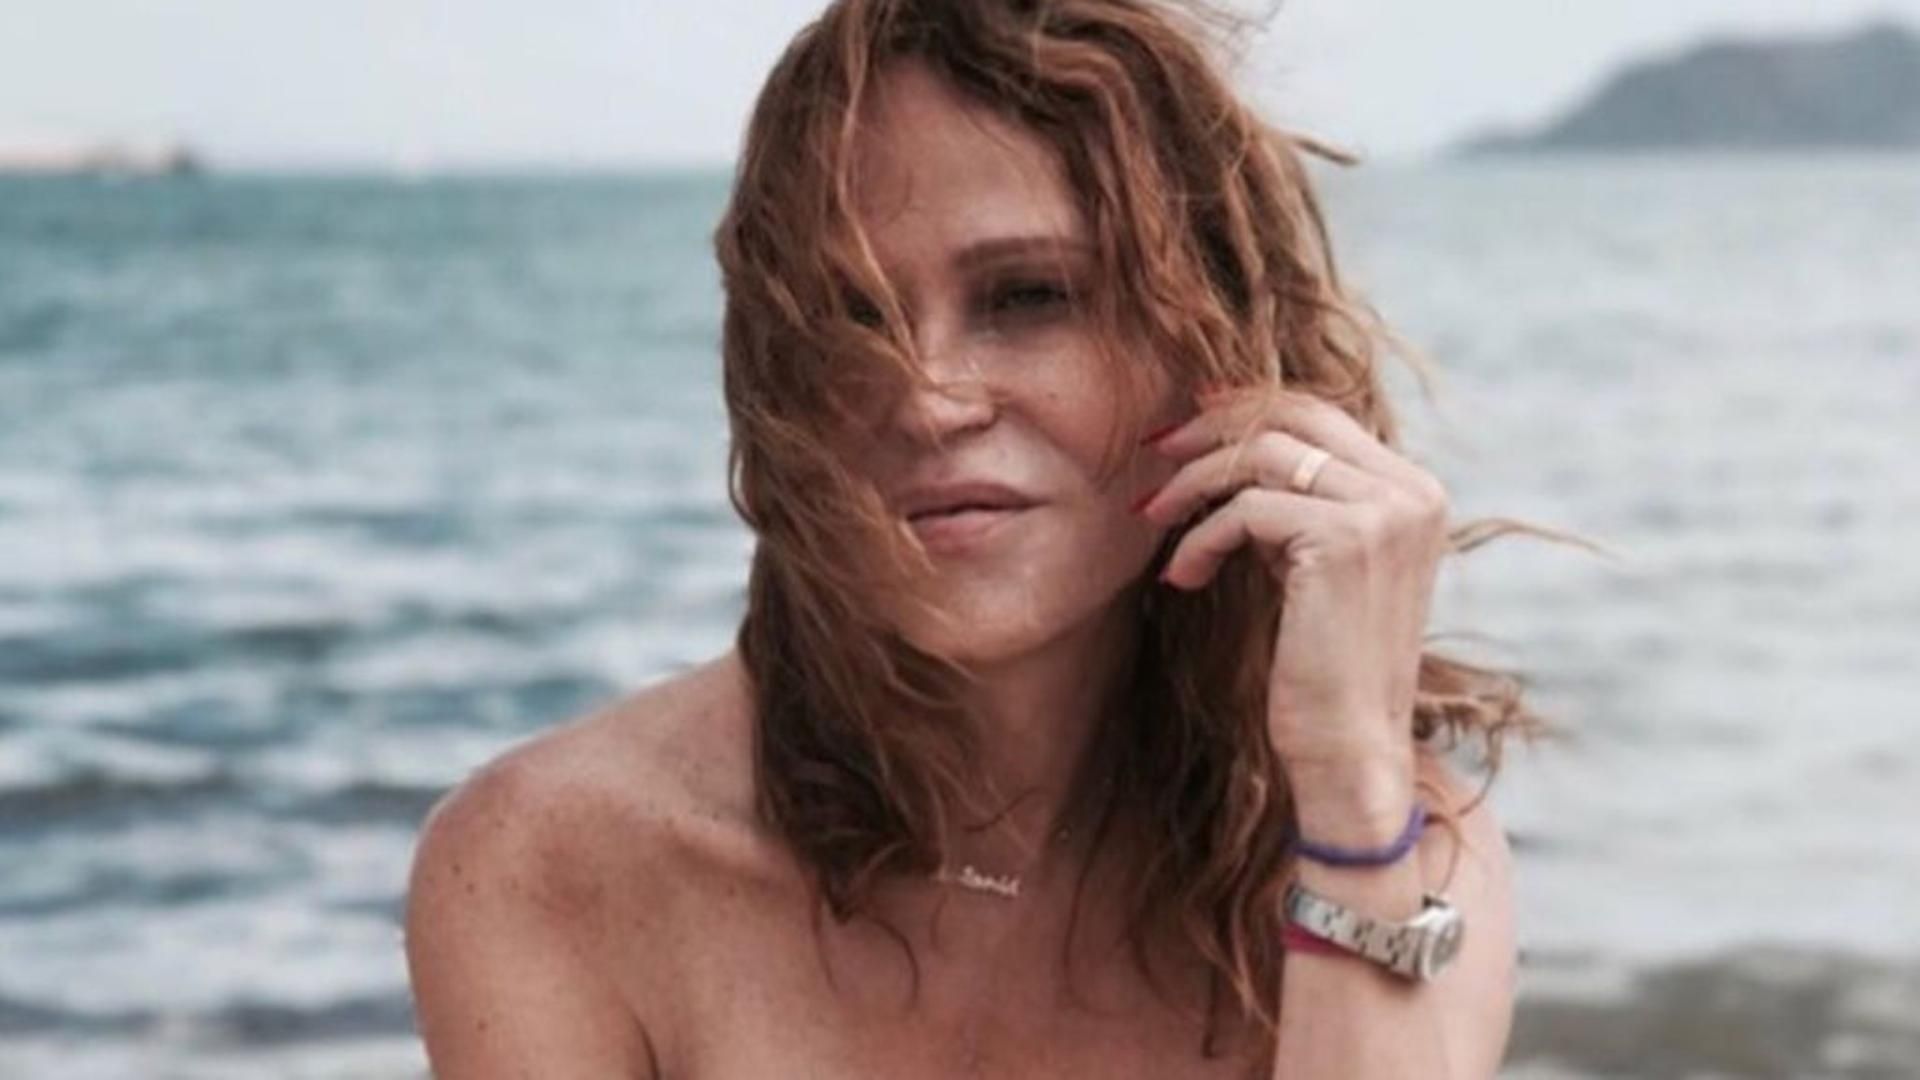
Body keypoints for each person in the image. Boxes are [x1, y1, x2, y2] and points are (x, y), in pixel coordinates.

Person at [405, 1, 1566, 1076]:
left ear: (1214, 348)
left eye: (1027, 297)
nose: (928, 398)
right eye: (850, 315)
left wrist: (1350, 784)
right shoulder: (553, 867)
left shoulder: (1391, 851)